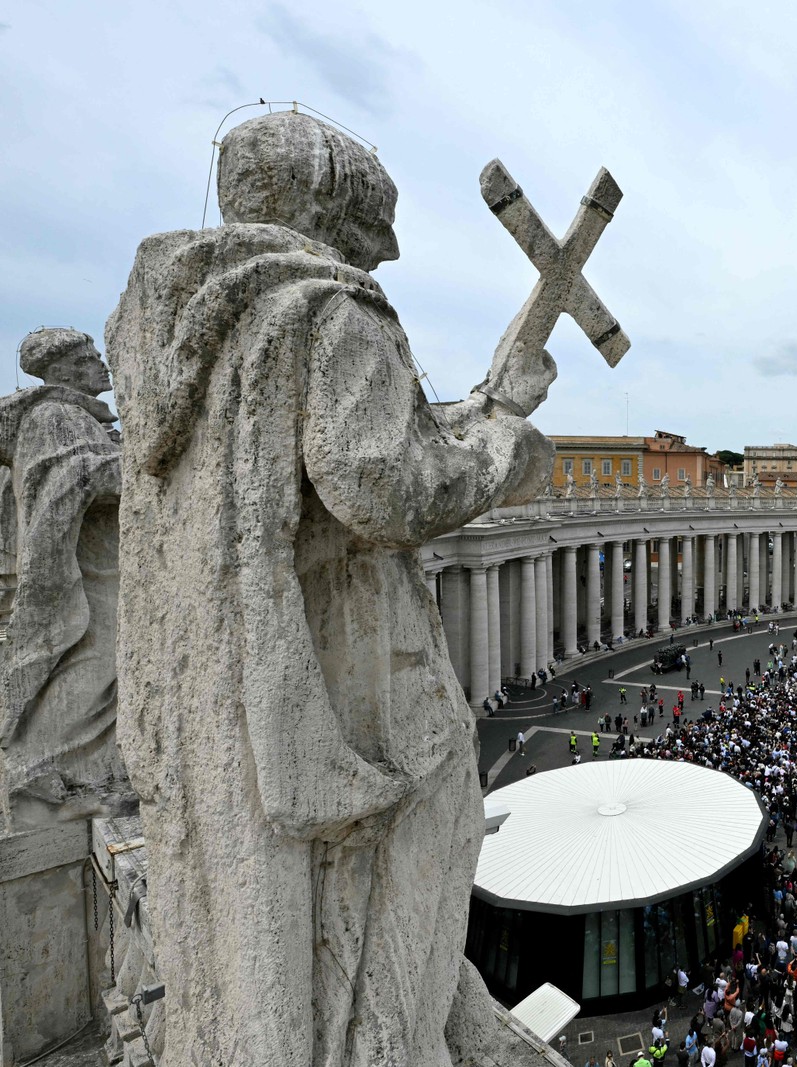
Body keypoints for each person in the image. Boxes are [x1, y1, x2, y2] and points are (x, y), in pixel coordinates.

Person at [106, 109, 557, 1065]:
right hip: (337, 682)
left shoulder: (167, 326)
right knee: (434, 825)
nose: (386, 260)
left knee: (252, 912)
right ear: (340, 217)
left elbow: (363, 442)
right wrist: (506, 442)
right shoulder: (324, 310)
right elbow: (386, 482)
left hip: (215, 689)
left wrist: (487, 400)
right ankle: (391, 1040)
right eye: (377, 238)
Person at [0, 328, 129, 827]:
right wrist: (135, 464)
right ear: (63, 369)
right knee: (90, 664)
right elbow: (69, 480)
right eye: (90, 357)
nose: (103, 365)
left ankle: (86, 772)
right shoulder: (54, 415)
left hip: (102, 560)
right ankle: (47, 776)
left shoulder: (74, 416)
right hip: (87, 572)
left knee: (106, 667)